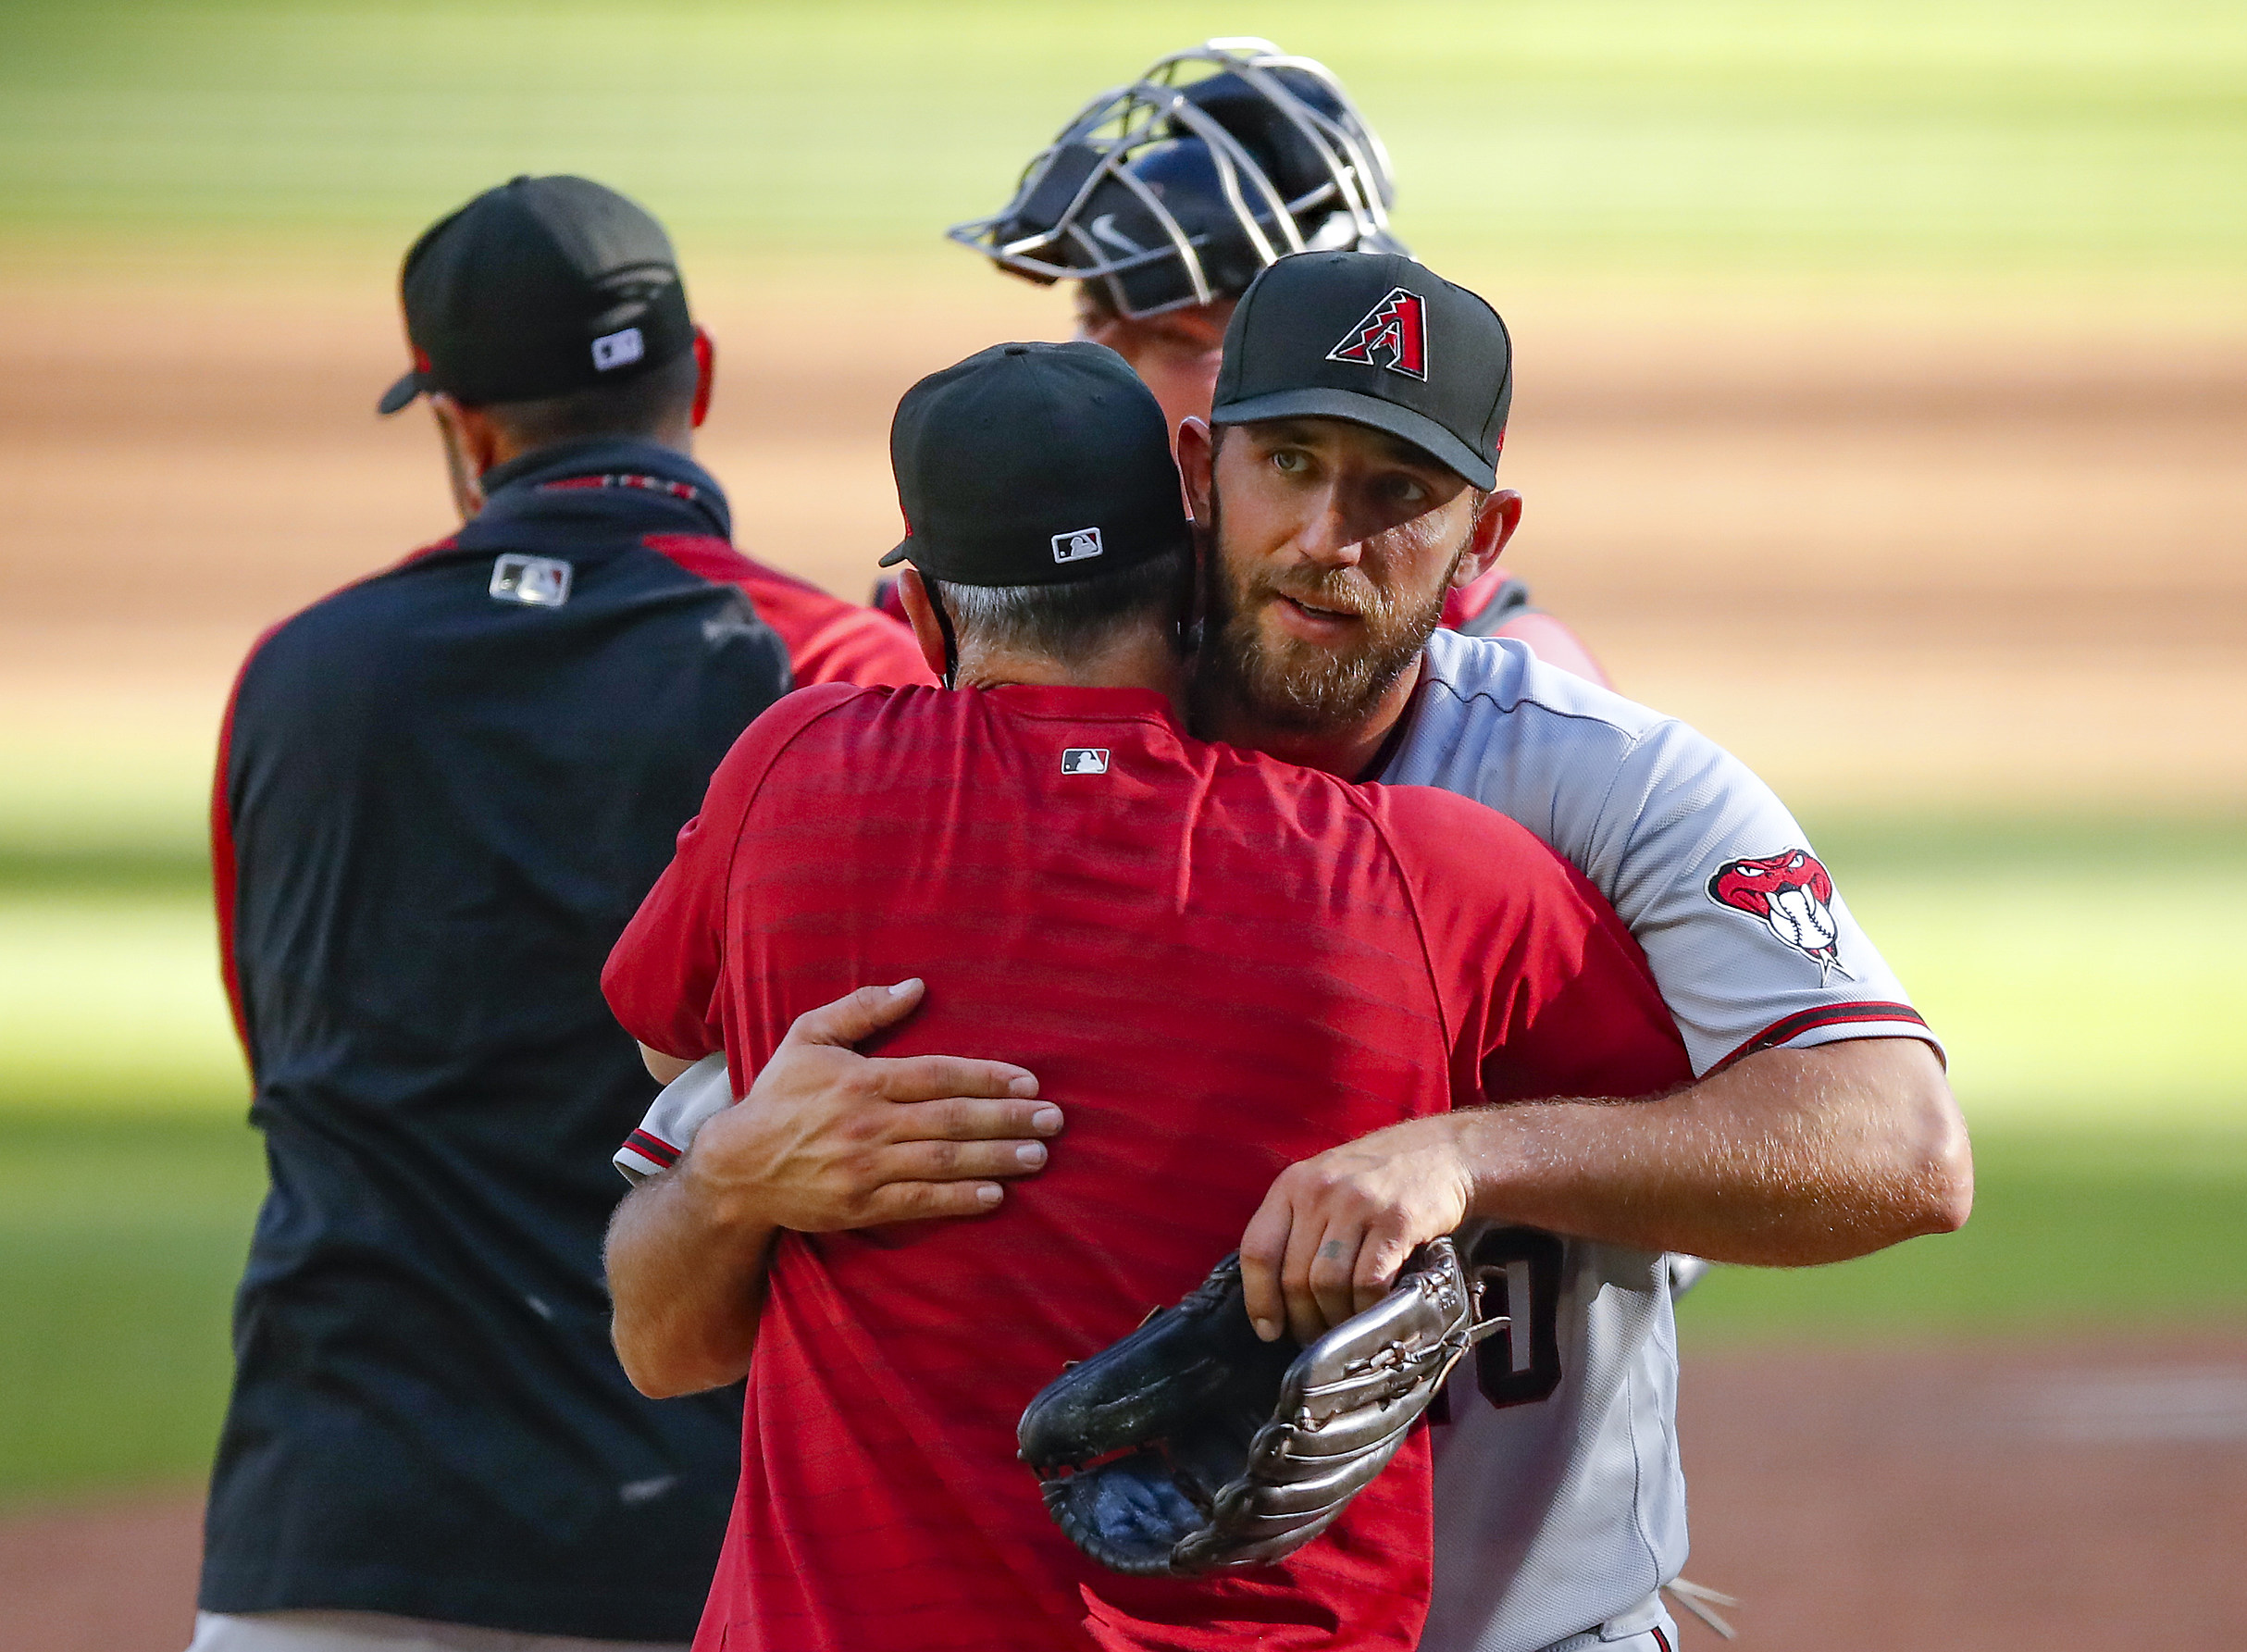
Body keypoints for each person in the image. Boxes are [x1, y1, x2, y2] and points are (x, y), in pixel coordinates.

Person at [621, 252, 1970, 1652]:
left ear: (1483, 534)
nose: (1331, 534)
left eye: (1398, 494)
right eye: (1295, 463)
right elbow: (669, 1306)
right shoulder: (988, 775)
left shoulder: (1604, 789)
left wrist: (1464, 1154)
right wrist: (732, 1170)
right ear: (1201, 469)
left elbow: (1904, 1149)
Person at [197, 175, 927, 1652]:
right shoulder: (842, 679)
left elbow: (279, 1049)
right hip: (693, 1541)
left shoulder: (298, 672)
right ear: (698, 377)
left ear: (463, 430)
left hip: (323, 1527)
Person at [933, 37, 1609, 683]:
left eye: (1178, 338)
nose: (1092, 374)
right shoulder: (994, 594)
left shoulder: (1509, 673)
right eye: (1090, 322)